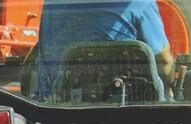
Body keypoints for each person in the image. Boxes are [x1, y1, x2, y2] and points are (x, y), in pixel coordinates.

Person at [35, 0, 176, 99]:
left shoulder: (52, 4)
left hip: (59, 106)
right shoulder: (141, 3)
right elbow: (164, 62)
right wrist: (169, 93)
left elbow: (46, 48)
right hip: (125, 111)